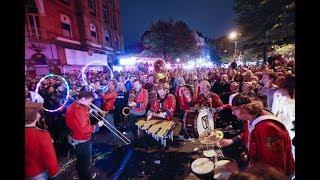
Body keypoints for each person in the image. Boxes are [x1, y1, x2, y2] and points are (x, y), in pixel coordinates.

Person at [219, 94, 295, 177]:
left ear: (243, 109)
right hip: (257, 165)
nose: (233, 113)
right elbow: (249, 134)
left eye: (234, 110)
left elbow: (275, 165)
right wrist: (231, 140)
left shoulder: (268, 128)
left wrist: (243, 174)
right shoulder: (252, 116)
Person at [66, 91, 104, 180]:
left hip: (74, 137)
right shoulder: (80, 110)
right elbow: (84, 129)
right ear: (83, 99)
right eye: (89, 101)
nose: (90, 103)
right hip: (82, 139)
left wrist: (87, 111)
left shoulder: (73, 105)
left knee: (79, 160)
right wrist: (98, 125)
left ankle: (81, 175)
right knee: (86, 163)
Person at [25, 101, 59, 179]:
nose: (39, 115)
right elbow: (50, 158)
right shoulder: (42, 135)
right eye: (37, 113)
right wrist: (55, 174)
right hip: (39, 173)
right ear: (33, 116)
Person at [127, 79, 149, 144]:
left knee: (144, 128)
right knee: (132, 126)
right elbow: (129, 101)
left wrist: (135, 104)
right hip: (133, 112)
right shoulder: (132, 91)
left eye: (137, 84)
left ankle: (146, 141)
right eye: (135, 84)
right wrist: (129, 103)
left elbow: (145, 104)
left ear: (140, 84)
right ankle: (136, 137)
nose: (136, 85)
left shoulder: (145, 91)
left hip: (141, 113)